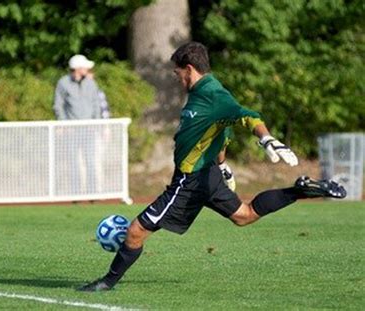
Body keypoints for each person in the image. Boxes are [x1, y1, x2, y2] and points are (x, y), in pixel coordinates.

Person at [78, 42, 346, 292]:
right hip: (208, 174)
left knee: (136, 230)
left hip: (189, 181)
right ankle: (300, 191)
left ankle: (106, 283)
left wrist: (266, 139)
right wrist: (223, 165)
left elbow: (246, 116)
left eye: (178, 73)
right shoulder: (202, 94)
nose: (177, 79)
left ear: (189, 69)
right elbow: (220, 134)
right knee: (244, 215)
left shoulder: (213, 94)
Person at [53, 55, 102, 195]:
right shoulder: (63, 83)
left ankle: (93, 193)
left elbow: (96, 104)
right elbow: (58, 105)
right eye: (85, 67)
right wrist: (63, 124)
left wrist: (98, 123)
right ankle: (76, 193)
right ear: (78, 68)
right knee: (74, 162)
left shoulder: (91, 83)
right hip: (72, 130)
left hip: (89, 130)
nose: (87, 69)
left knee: (90, 161)